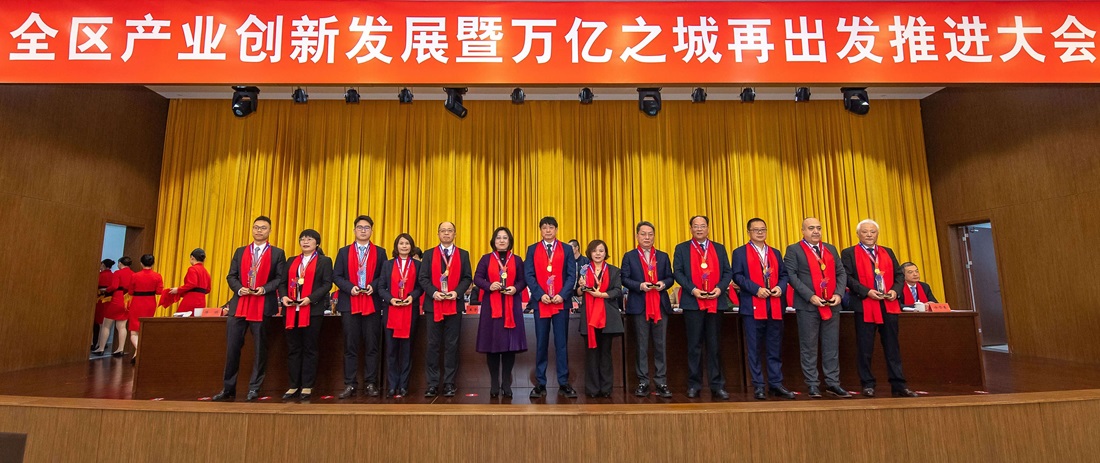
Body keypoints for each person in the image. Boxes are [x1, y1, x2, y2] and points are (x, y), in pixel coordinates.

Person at [841, 219, 919, 398]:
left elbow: (899, 275)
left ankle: (898, 385)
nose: (869, 235)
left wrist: (895, 291)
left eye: (872, 231)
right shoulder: (849, 253)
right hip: (864, 305)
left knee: (893, 347)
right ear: (858, 234)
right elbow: (847, 277)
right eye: (865, 232)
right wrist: (867, 292)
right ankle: (867, 384)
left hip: (888, 305)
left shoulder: (887, 251)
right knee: (865, 347)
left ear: (877, 234)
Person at [213, 216, 286, 402]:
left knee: (260, 349)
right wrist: (239, 288)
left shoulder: (277, 253)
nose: (259, 230)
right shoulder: (240, 251)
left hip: (262, 305)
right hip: (239, 305)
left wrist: (265, 289)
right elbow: (231, 276)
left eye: (263, 228)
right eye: (256, 227)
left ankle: (254, 388)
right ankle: (228, 388)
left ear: (270, 231)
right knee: (232, 348)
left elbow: (280, 278)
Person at [784, 217, 851, 399]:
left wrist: (838, 294)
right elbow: (792, 276)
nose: (816, 231)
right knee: (809, 346)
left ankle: (833, 383)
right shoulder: (794, 250)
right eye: (811, 228)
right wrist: (810, 296)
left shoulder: (830, 249)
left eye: (818, 228)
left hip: (831, 304)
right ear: (803, 231)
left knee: (831, 346)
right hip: (808, 306)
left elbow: (841, 272)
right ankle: (812, 384)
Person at [732, 218, 795, 400]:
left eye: (763, 229)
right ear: (748, 232)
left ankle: (776, 383)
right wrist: (756, 289)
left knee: (775, 347)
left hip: (774, 306)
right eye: (756, 230)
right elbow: (737, 276)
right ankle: (758, 385)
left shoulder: (774, 252)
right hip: (752, 307)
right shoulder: (740, 252)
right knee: (754, 348)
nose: (760, 233)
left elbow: (784, 274)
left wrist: (780, 287)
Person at [673, 215, 733, 400]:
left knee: (715, 346)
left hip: (716, 301)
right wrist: (693, 289)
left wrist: (720, 288)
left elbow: (727, 272)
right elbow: (678, 273)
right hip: (693, 303)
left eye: (703, 226)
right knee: (694, 346)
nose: (699, 229)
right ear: (691, 228)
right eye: (696, 226)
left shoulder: (719, 248)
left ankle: (717, 385)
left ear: (708, 228)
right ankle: (694, 385)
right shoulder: (682, 248)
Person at [332, 215, 387, 399]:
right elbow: (337, 276)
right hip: (350, 303)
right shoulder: (343, 252)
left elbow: (384, 275)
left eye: (367, 227)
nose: (363, 230)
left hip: (372, 302)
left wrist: (374, 286)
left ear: (372, 230)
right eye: (360, 227)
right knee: (350, 345)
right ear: (354, 230)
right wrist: (350, 288)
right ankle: (350, 383)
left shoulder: (380, 252)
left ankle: (371, 383)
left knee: (372, 345)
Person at [524, 216, 578, 399]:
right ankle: (540, 383)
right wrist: (540, 294)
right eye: (544, 227)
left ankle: (564, 383)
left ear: (556, 229)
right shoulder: (532, 249)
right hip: (542, 303)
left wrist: (562, 294)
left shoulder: (566, 249)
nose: (548, 230)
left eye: (551, 227)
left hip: (561, 303)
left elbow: (571, 275)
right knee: (541, 343)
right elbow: (529, 275)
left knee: (561, 344)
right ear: (540, 230)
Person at [418, 221, 473, 398]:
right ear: (438, 234)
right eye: (443, 230)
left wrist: (456, 293)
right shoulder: (429, 254)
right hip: (433, 305)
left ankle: (449, 383)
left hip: (453, 305)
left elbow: (467, 278)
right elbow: (423, 278)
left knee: (452, 345)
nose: (446, 233)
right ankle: (432, 383)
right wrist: (434, 292)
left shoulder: (463, 254)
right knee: (432, 345)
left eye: (450, 231)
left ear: (455, 234)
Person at [619, 221, 674, 398]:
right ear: (637, 236)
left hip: (660, 305)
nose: (647, 237)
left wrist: (663, 283)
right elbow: (624, 278)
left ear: (654, 236)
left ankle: (661, 382)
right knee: (641, 345)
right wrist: (639, 285)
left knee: (660, 345)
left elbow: (670, 278)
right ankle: (643, 381)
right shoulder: (629, 256)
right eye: (643, 234)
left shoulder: (663, 256)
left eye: (650, 234)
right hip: (639, 305)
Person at [473, 227, 528, 399]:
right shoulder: (486, 258)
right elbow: (477, 278)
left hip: (511, 307)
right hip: (491, 308)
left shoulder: (517, 260)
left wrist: (515, 288)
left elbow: (523, 280)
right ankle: (494, 383)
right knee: (493, 345)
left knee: (509, 346)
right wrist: (489, 285)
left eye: (505, 238)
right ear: (493, 241)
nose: (502, 240)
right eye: (498, 238)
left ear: (510, 241)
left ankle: (506, 383)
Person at [280, 229, 333, 401]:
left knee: (310, 348)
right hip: (291, 310)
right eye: (302, 239)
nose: (305, 242)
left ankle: (307, 385)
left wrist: (310, 298)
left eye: (309, 239)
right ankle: (293, 385)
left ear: (317, 243)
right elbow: (282, 283)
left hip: (312, 311)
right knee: (293, 348)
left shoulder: (324, 261)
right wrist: (284, 297)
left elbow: (327, 284)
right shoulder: (291, 261)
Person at [377, 234, 422, 398]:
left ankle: (403, 385)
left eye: (407, 243)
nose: (404, 246)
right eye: (401, 243)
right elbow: (381, 287)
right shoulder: (387, 264)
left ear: (411, 246)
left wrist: (412, 296)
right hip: (391, 310)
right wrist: (390, 299)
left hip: (410, 310)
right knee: (391, 349)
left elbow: (420, 286)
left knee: (406, 350)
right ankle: (392, 385)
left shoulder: (417, 265)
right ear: (396, 246)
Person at [576, 240, 623, 398]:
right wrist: (581, 287)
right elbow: (577, 292)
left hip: (607, 316)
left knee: (605, 353)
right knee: (591, 353)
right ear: (590, 253)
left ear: (605, 253)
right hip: (589, 316)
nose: (598, 254)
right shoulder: (584, 269)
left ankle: (606, 388)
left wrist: (601, 295)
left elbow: (618, 291)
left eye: (601, 251)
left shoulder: (614, 270)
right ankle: (592, 389)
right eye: (595, 251)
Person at [127, 254, 164, 364]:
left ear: (141, 263)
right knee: (145, 328)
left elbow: (130, 291)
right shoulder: (157, 276)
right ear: (153, 263)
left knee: (134, 332)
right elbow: (159, 291)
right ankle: (137, 354)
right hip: (150, 302)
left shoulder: (135, 276)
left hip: (137, 302)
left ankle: (139, 350)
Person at [99, 257, 134, 357]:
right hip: (127, 300)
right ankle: (120, 349)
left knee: (106, 325)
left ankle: (101, 348)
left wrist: (106, 290)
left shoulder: (117, 273)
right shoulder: (133, 274)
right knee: (122, 326)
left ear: (120, 263)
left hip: (117, 298)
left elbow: (114, 286)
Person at [166, 249, 212, 315]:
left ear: (192, 257)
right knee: (196, 319)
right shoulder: (206, 272)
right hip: (202, 301)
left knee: (180, 318)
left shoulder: (192, 269)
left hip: (191, 299)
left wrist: (178, 290)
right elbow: (208, 289)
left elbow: (192, 284)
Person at [92, 259, 115, 355]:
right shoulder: (113, 275)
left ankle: (97, 344)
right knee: (104, 323)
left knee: (99, 323)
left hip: (99, 300)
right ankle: (101, 343)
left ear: (104, 265)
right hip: (110, 300)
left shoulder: (99, 275)